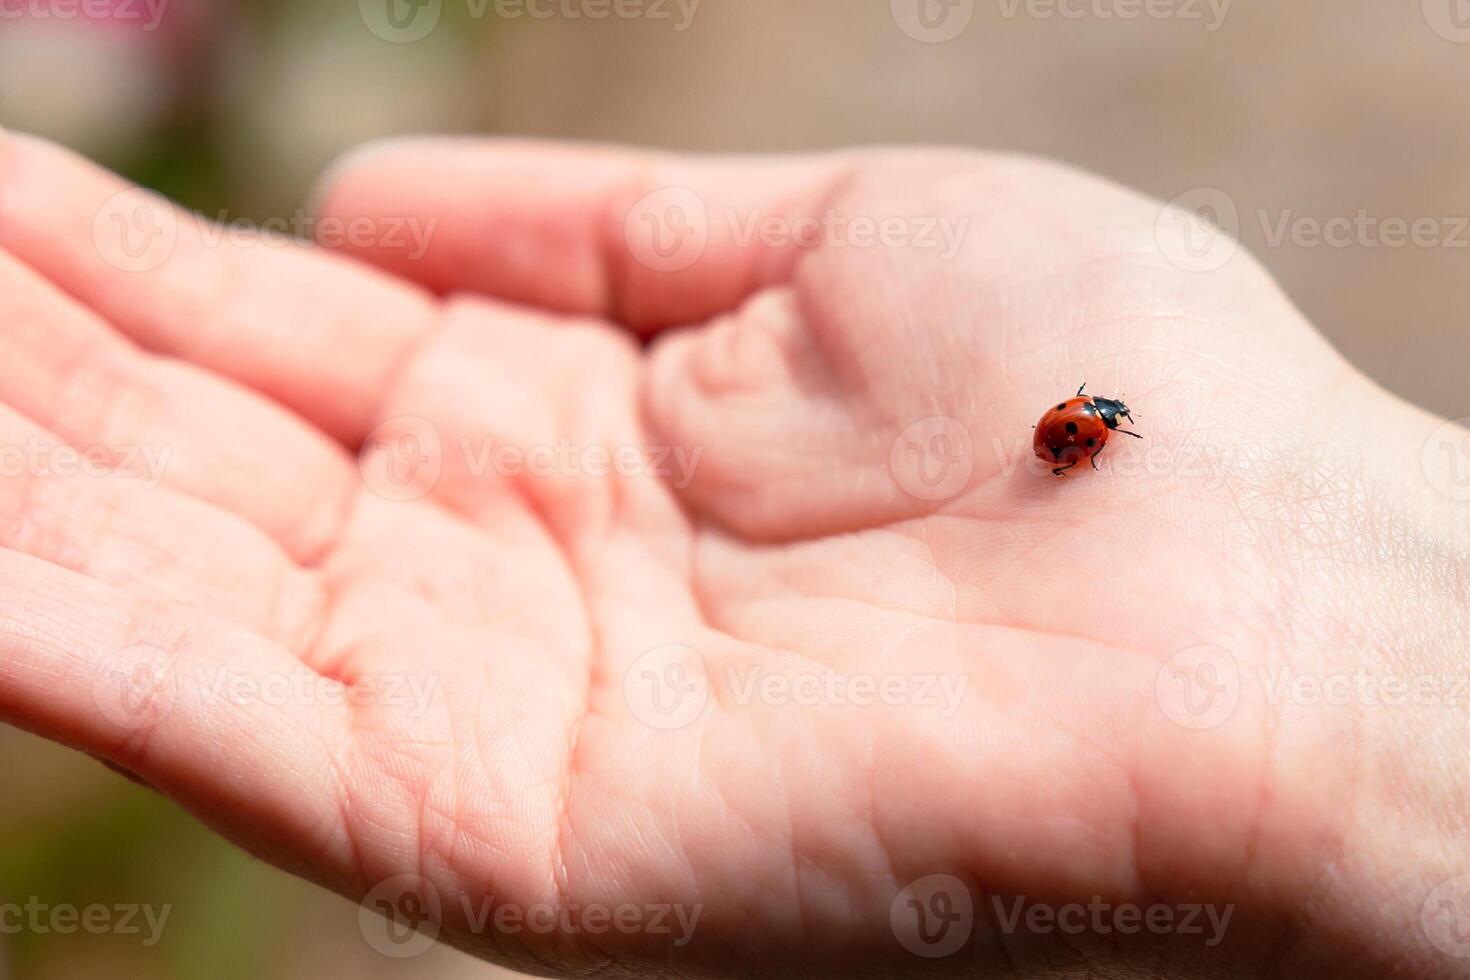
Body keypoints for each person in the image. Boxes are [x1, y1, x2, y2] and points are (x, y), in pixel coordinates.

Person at [0, 129, 1465, 978]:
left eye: (1093, 431)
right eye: (1094, 429)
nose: (1092, 432)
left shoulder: (1082, 417)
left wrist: (1321, 659)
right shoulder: (1079, 419)